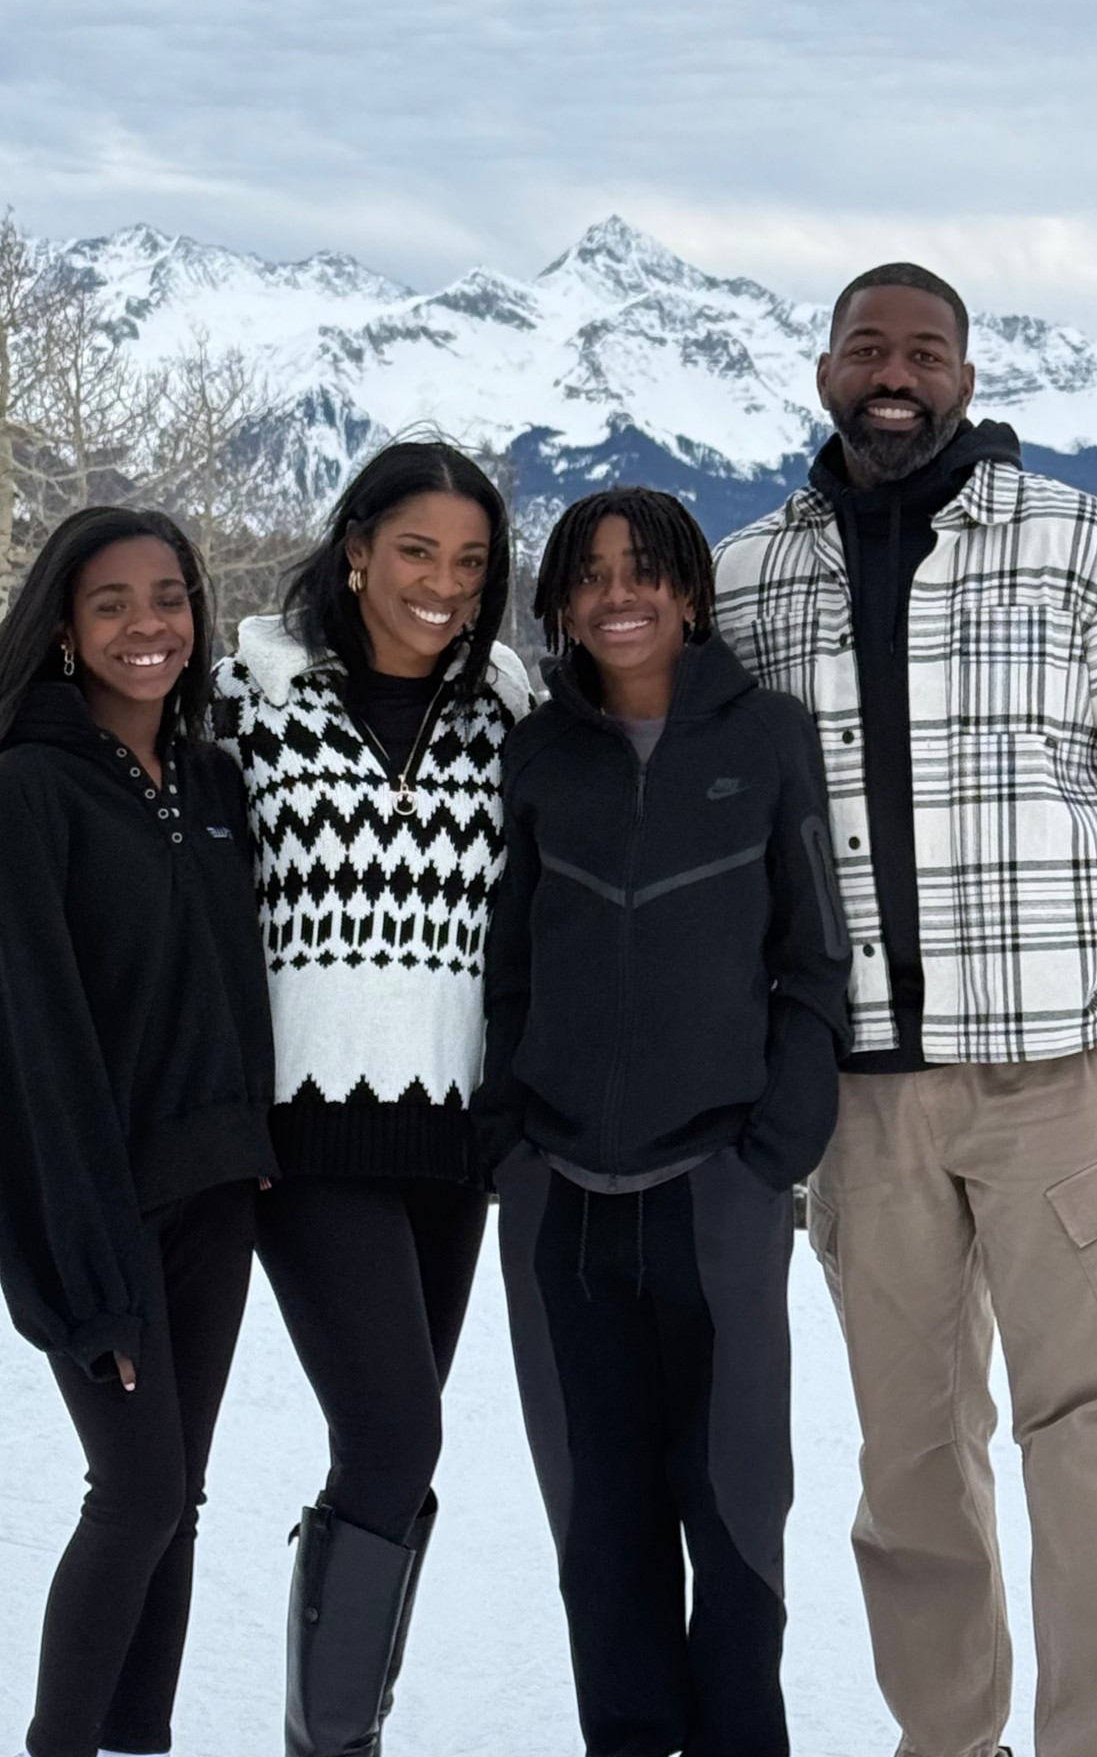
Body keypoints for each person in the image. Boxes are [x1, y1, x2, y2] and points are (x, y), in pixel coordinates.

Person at [714, 261, 1097, 1757]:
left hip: (1060, 1079)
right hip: (861, 1099)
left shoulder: (1093, 547)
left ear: (967, 374)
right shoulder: (749, 575)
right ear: (825, 367)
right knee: (910, 1460)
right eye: (868, 347)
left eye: (925, 351)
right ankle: (947, 1741)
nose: (894, 373)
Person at [472, 486, 851, 1757]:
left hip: (718, 1187)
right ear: (560, 604)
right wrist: (512, 1139)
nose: (617, 594)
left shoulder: (769, 735)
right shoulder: (541, 754)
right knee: (599, 1524)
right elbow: (509, 964)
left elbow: (815, 959)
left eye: (644, 569)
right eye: (589, 574)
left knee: (736, 1510)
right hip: (558, 1195)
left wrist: (773, 1150)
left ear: (690, 590)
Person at [212, 439, 530, 1757]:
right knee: (393, 1437)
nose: (441, 583)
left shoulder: (507, 712)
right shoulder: (249, 697)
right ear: (355, 549)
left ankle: (342, 1730)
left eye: (469, 561)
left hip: (450, 1138)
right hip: (305, 1131)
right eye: (414, 550)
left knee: (398, 1452)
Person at [0, 506, 276, 1757]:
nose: (147, 625)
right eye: (111, 603)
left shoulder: (212, 780)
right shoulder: (28, 789)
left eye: (169, 598)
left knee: (181, 1495)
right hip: (94, 1202)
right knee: (138, 1491)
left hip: (217, 1186)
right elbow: (36, 1047)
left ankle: (137, 1738)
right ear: (65, 626)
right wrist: (84, 1262)